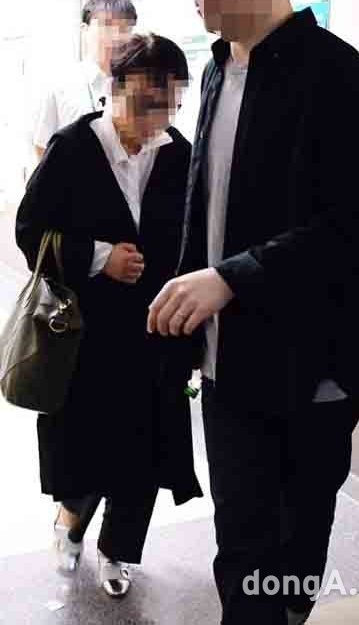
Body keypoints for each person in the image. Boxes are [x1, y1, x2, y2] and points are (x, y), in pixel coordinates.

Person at [147, 0, 359, 623]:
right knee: (239, 548)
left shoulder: (337, 74)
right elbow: (207, 210)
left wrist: (229, 278)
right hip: (227, 369)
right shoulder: (216, 70)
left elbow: (342, 232)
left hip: (309, 374)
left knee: (292, 553)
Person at [16, 33, 202, 599]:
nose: (157, 119)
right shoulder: (73, 147)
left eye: (170, 105)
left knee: (143, 456)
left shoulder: (178, 155)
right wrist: (100, 257)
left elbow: (195, 241)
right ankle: (71, 520)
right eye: (146, 103)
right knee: (86, 451)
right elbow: (29, 231)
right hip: (85, 337)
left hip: (155, 333)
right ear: (114, 89)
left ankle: (118, 550)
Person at [33, 0, 138, 160]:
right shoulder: (61, 85)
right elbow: (42, 146)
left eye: (125, 28)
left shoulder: (140, 85)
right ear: (85, 29)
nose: (116, 36)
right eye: (107, 25)